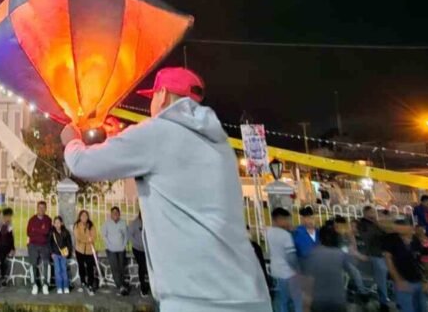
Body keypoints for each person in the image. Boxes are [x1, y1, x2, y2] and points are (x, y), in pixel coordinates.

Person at [62, 67, 271, 311]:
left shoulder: (156, 132)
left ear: (161, 95)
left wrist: (72, 141)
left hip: (197, 297)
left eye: (152, 96)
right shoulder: (220, 145)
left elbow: (83, 163)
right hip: (249, 292)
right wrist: (120, 139)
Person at [303, 222, 352, 312]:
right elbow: (352, 271)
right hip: (338, 300)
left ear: (320, 238)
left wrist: (306, 304)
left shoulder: (313, 254)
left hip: (319, 301)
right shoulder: (340, 254)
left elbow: (309, 281)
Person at [383, 218, 428, 312]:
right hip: (403, 281)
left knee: (422, 308)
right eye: (396, 229)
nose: (397, 231)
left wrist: (426, 279)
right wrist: (398, 280)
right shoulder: (391, 239)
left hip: (418, 279)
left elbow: (422, 259)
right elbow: (388, 260)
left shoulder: (415, 240)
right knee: (407, 308)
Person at [266, 208, 302, 312]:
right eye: (286, 219)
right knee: (297, 300)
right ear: (279, 219)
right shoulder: (285, 236)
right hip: (288, 273)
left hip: (275, 272)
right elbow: (291, 257)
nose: (288, 222)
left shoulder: (269, 232)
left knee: (282, 301)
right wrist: (298, 270)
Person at [357, 205, 391, 311]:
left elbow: (386, 233)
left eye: (374, 211)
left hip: (382, 253)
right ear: (366, 213)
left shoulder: (375, 223)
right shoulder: (363, 224)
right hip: (374, 254)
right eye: (371, 212)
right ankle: (383, 302)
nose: (374, 213)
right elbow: (370, 237)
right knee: (381, 274)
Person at [334, 215, 369, 301]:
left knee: (353, 270)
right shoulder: (333, 235)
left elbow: (354, 248)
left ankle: (362, 291)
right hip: (336, 258)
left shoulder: (349, 235)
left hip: (346, 258)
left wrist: (352, 251)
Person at [26, 200, 52, 295]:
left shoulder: (48, 219)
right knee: (32, 264)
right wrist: (41, 230)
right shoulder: (32, 219)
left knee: (47, 264)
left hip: (44, 245)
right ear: (37, 208)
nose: (41, 209)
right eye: (39, 207)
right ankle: (34, 285)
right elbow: (29, 232)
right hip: (33, 244)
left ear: (45, 209)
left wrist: (36, 231)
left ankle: (45, 285)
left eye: (43, 208)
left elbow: (47, 232)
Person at [103, 206, 129, 296]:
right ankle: (120, 286)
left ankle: (122, 285)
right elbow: (104, 236)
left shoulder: (123, 223)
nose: (115, 214)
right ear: (111, 214)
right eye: (113, 212)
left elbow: (126, 235)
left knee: (121, 267)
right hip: (111, 250)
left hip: (121, 249)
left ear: (119, 214)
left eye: (116, 212)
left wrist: (124, 245)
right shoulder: (107, 223)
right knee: (115, 268)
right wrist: (109, 246)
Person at [73, 210, 97, 296]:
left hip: (90, 251)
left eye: (86, 216)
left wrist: (87, 240)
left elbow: (94, 236)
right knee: (81, 266)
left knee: (90, 268)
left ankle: (90, 284)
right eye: (82, 216)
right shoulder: (77, 225)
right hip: (79, 250)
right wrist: (87, 240)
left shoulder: (91, 225)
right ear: (79, 217)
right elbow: (78, 237)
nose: (84, 217)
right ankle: (83, 282)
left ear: (88, 217)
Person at [49, 216, 73, 295]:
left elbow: (69, 244)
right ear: (53, 224)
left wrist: (68, 253)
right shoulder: (52, 233)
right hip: (55, 254)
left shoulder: (66, 232)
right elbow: (49, 244)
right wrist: (51, 253)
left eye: (58, 222)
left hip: (64, 254)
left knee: (64, 270)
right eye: (55, 223)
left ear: (62, 223)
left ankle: (65, 286)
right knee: (57, 271)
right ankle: (59, 287)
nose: (57, 224)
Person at [129, 211, 150, 297]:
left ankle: (151, 285)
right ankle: (143, 288)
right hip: (138, 249)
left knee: (148, 268)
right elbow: (130, 235)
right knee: (142, 266)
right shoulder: (134, 223)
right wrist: (139, 244)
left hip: (148, 250)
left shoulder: (149, 221)